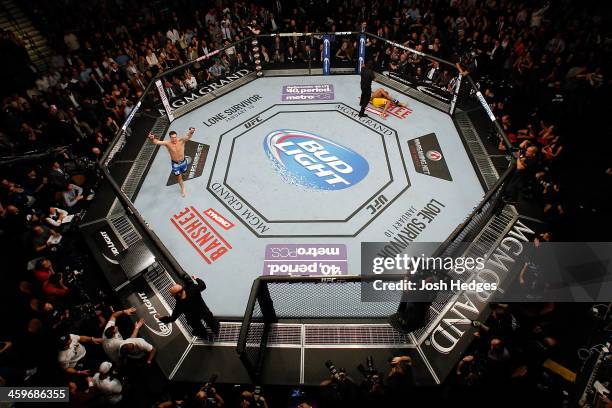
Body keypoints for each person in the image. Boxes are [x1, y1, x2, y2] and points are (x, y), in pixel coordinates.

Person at [148, 127, 195, 197]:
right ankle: (183, 188)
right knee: (179, 177)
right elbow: (157, 142)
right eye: (172, 137)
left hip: (183, 162)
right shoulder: (167, 143)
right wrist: (152, 138)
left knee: (184, 172)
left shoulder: (181, 140)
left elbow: (188, 137)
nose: (174, 139)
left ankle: (184, 173)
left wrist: (191, 132)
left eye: (175, 137)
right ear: (170, 138)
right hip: (175, 164)